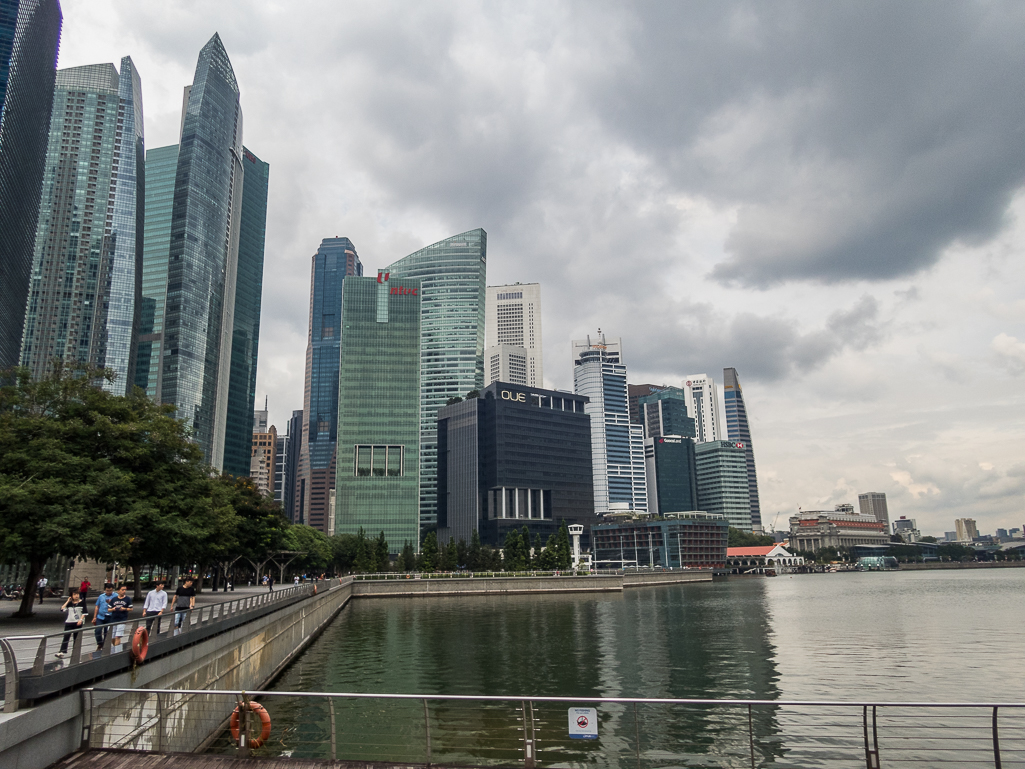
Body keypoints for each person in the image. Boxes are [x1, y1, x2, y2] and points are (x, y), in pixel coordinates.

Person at [55, 589, 87, 658]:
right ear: (71, 596)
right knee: (66, 637)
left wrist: (81, 620)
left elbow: (84, 612)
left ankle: (75, 652)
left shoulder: (82, 602)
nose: (76, 596)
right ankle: (62, 651)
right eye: (74, 594)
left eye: (77, 594)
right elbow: (62, 609)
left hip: (78, 622)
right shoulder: (69, 603)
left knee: (76, 638)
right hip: (69, 622)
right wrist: (67, 601)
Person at [108, 585, 133, 651]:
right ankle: (116, 648)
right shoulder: (114, 599)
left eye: (125, 590)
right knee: (112, 637)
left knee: (117, 636)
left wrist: (124, 609)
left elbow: (131, 609)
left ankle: (116, 652)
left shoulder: (128, 599)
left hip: (122, 619)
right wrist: (113, 609)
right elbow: (109, 609)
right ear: (118, 591)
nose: (124, 591)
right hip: (113, 619)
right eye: (122, 590)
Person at [91, 583, 116, 651]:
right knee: (97, 630)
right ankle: (100, 643)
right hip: (100, 616)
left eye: (110, 590)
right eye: (107, 590)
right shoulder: (101, 596)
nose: (108, 592)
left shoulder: (115, 596)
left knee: (106, 632)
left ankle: (105, 645)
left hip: (110, 616)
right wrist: (94, 617)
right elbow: (97, 606)